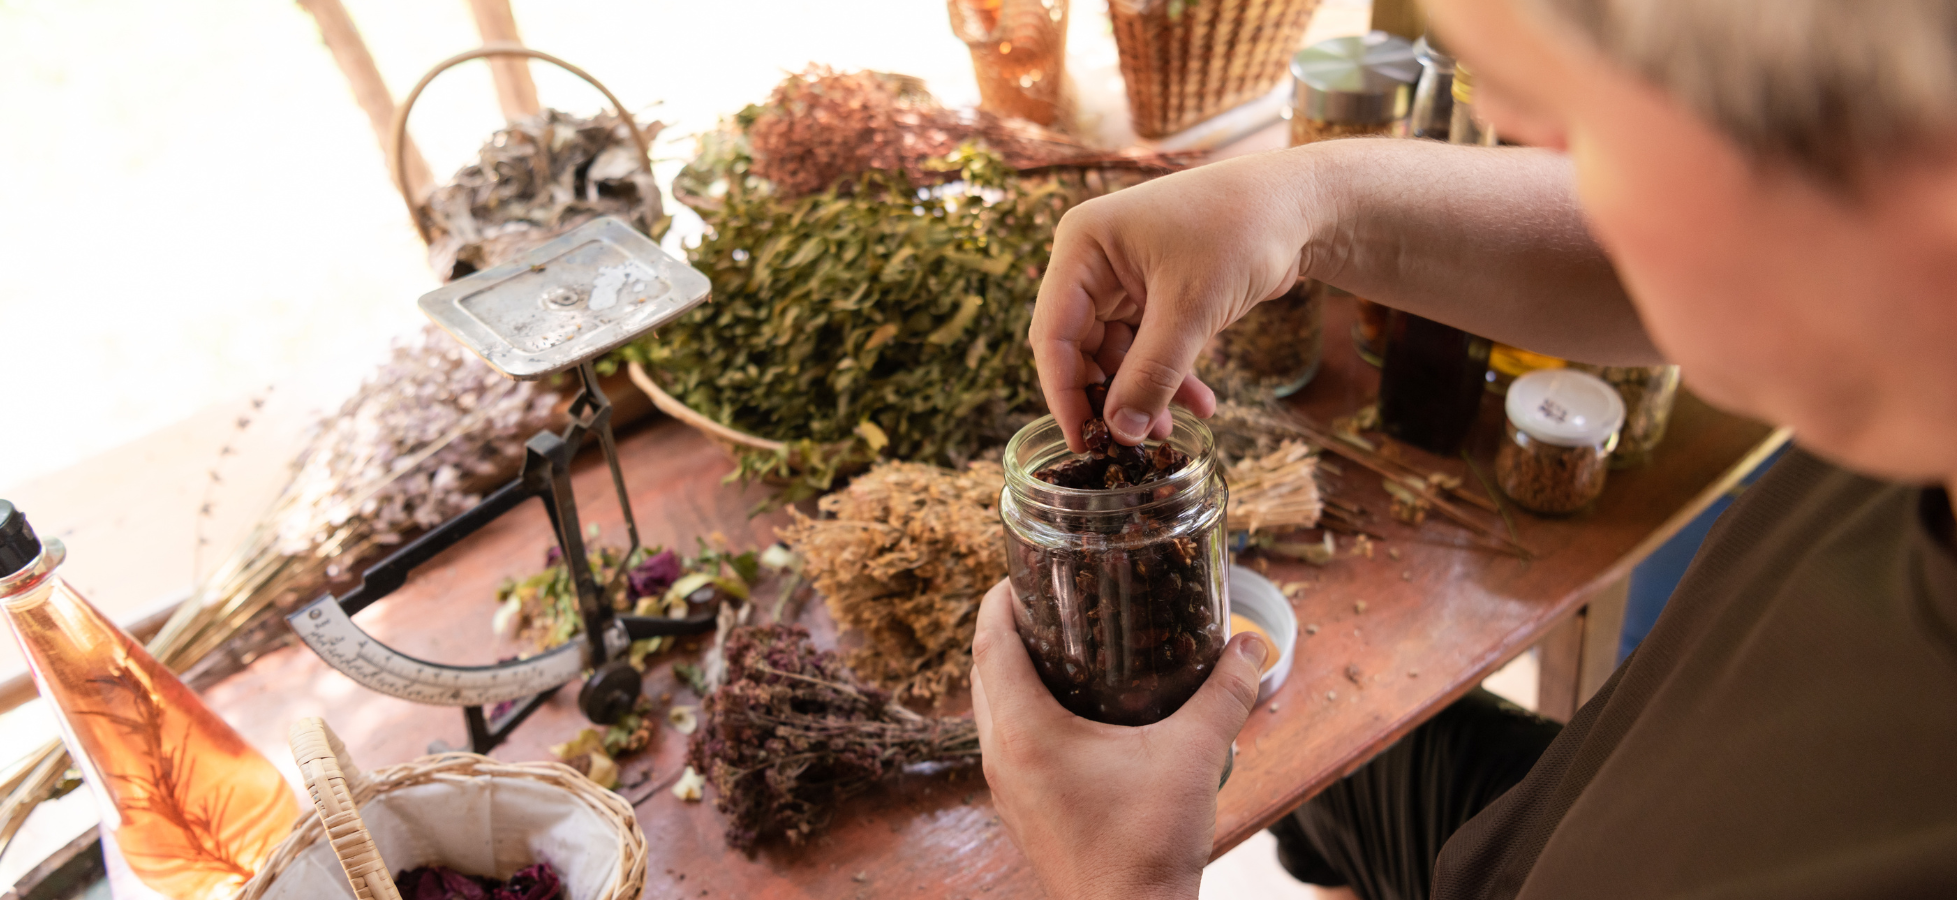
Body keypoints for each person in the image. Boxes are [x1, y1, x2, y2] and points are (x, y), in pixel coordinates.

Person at [968, 0, 1957, 897]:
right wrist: (1306, 207)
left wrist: (1119, 884)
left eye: (1584, 118)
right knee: (1327, 784)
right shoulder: (1909, 364)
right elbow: (1727, 263)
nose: (1527, 141)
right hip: (1583, 808)